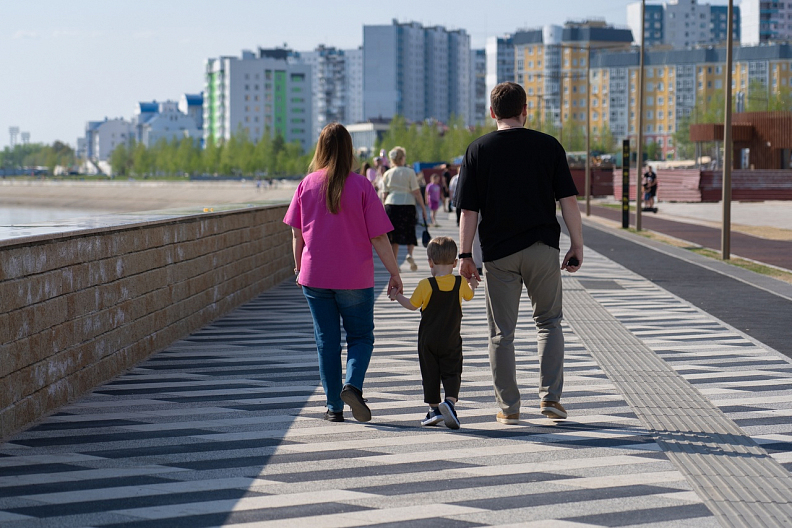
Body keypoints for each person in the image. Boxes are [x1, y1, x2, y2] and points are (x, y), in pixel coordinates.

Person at [455, 82, 583, 424]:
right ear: (525, 110)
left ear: (492, 112)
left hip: (499, 254)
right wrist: (576, 244)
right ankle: (550, 398)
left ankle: (509, 407)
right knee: (549, 322)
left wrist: (465, 255)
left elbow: (468, 211)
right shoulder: (549, 146)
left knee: (501, 334)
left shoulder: (477, 149)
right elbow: (568, 200)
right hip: (542, 248)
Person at [283, 123, 403, 423]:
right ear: (349, 150)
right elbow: (379, 237)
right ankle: (353, 385)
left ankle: (334, 407)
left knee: (327, 342)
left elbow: (297, 234)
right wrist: (394, 272)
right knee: (361, 337)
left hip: (315, 276)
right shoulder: (362, 186)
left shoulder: (306, 184)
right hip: (355, 278)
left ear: (321, 149)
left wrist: (298, 267)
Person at [388, 236, 477, 429]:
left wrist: (397, 295)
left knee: (430, 373)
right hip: (451, 338)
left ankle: (434, 409)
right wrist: (472, 283)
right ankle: (450, 402)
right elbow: (469, 295)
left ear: (430, 262)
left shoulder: (426, 284)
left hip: (428, 340)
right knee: (453, 371)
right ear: (455, 263)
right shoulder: (460, 283)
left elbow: (412, 305)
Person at [381, 146, 430, 272]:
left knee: (394, 236)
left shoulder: (387, 173)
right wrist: (423, 208)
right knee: (410, 231)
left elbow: (384, 194)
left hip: (391, 205)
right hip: (408, 204)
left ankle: (395, 263)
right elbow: (416, 192)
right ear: (402, 158)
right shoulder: (409, 172)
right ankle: (410, 254)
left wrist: (382, 209)